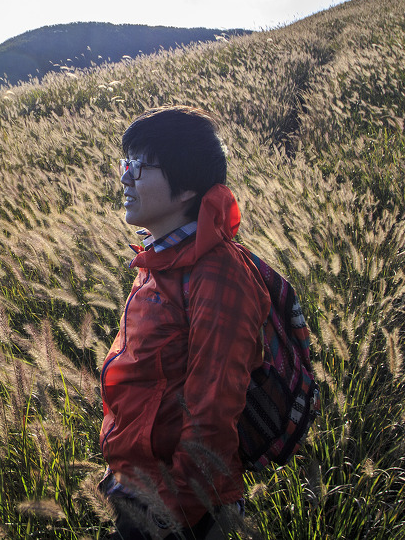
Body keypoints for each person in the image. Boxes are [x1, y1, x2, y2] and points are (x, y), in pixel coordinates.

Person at [99, 106, 268, 540]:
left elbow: (212, 412)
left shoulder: (217, 275)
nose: (126, 177)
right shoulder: (161, 261)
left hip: (181, 508)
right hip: (137, 483)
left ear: (187, 188)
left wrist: (168, 516)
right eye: (125, 163)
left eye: (140, 166)